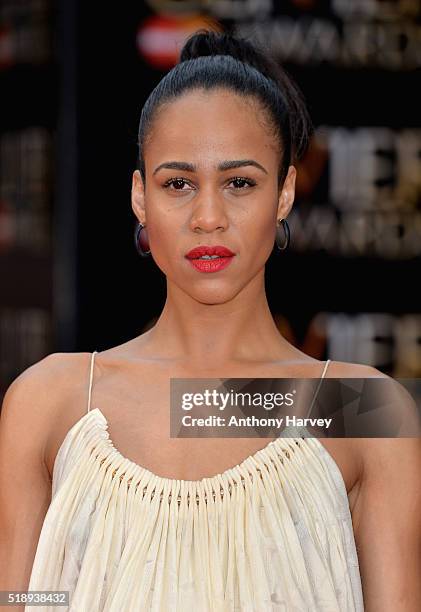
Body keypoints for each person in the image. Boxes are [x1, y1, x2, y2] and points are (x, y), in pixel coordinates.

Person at [1, 29, 420, 612]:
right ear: (140, 197)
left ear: (285, 193)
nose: (208, 217)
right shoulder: (51, 398)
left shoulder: (360, 406)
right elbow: (22, 597)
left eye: (239, 183)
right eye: (178, 184)